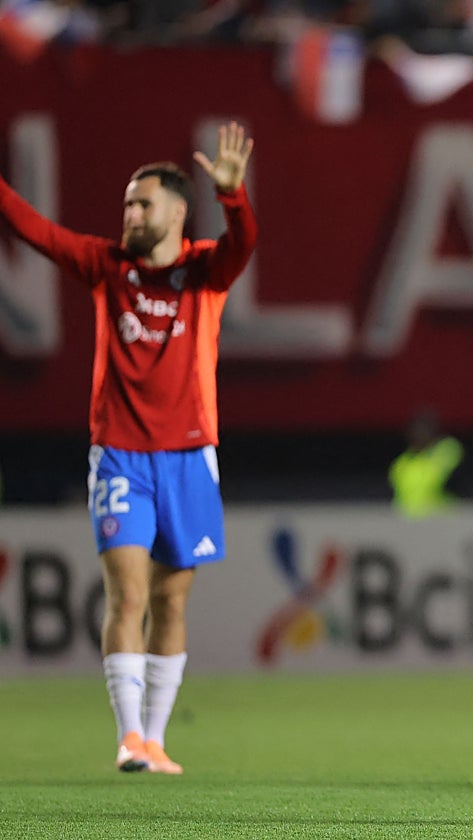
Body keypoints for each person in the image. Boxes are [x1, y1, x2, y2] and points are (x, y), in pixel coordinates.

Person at [0, 122, 258, 774]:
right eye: (126, 205)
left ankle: (156, 738)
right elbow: (34, 228)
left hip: (191, 457)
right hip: (118, 454)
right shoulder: (105, 266)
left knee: (172, 600)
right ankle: (127, 738)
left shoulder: (205, 268)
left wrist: (233, 198)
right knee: (128, 596)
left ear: (175, 210)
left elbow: (244, 243)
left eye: (141, 204)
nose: (129, 214)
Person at [389, 405, 465, 517]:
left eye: (425, 429)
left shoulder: (447, 450)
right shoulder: (401, 463)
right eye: (417, 430)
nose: (420, 434)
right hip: (407, 521)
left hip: (442, 518)